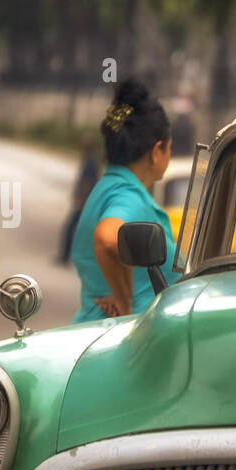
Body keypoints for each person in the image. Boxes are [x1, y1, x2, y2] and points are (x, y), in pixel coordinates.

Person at [70, 79, 180, 323]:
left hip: (96, 333)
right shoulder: (127, 196)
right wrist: (124, 299)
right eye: (170, 148)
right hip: (121, 342)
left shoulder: (107, 188)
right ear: (156, 151)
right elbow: (107, 239)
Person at [58, 136, 99, 263]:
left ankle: (66, 257)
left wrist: (81, 200)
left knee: (71, 228)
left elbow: (87, 183)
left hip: (84, 202)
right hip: (86, 201)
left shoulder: (90, 163)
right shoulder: (89, 161)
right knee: (83, 230)